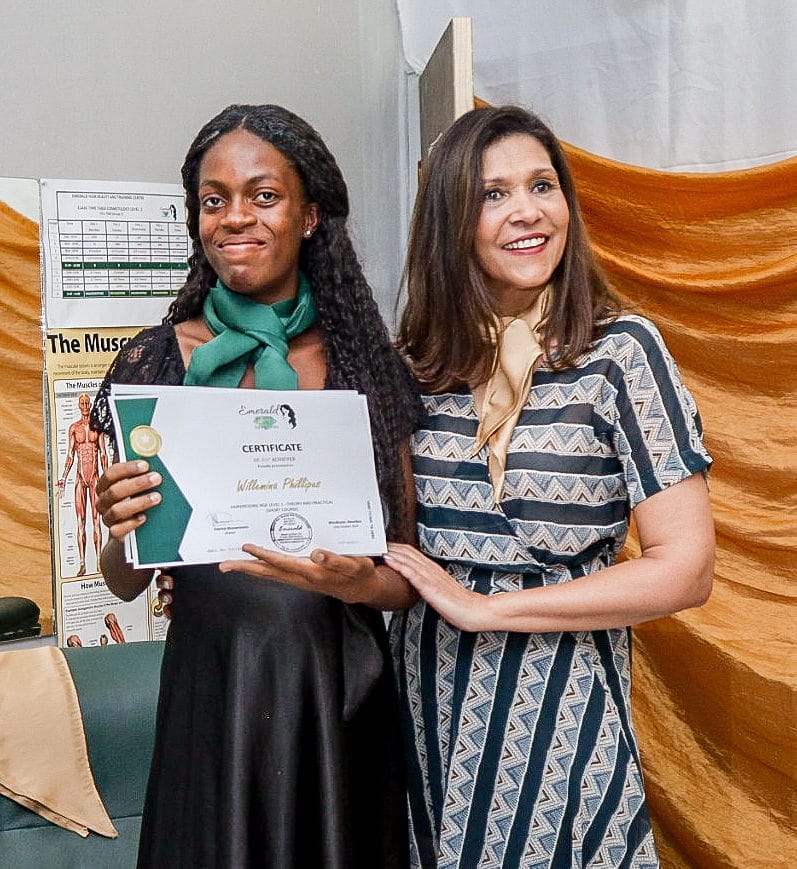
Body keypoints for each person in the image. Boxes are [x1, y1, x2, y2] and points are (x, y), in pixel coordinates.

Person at [383, 106, 715, 869]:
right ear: (450, 221)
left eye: (541, 185)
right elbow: (390, 547)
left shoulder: (620, 353)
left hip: (559, 697)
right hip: (427, 697)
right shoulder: (415, 366)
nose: (527, 210)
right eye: (493, 193)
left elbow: (685, 568)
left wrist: (489, 608)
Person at [92, 103, 422, 868]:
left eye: (263, 195)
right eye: (214, 200)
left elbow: (406, 574)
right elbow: (122, 580)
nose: (235, 216)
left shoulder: (364, 365)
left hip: (335, 692)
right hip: (211, 688)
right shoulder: (154, 364)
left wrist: (358, 583)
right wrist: (121, 529)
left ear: (309, 215)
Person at [57, 392, 109, 576]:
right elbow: (70, 455)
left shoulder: (98, 427)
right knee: (80, 522)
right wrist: (63, 478)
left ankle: (99, 563)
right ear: (79, 406)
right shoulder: (74, 428)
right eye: (83, 403)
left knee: (96, 522)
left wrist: (108, 478)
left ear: (91, 405)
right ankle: (82, 564)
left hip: (95, 478)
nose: (85, 406)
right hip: (80, 478)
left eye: (87, 403)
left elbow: (103, 454)